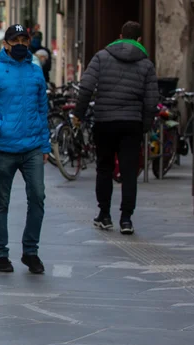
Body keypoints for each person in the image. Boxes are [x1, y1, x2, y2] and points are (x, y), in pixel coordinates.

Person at [0, 24, 50, 275]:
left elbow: (42, 110)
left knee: (38, 197)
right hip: (3, 148)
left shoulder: (36, 72)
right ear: (5, 44)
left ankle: (30, 251)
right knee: (2, 201)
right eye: (15, 40)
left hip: (33, 147)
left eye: (24, 40)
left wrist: (45, 145)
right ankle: (1, 254)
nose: (21, 45)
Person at [73, 21, 158, 235]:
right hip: (132, 123)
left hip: (105, 121)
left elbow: (86, 88)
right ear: (138, 39)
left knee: (104, 168)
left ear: (120, 36)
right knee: (129, 172)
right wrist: (145, 125)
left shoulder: (101, 57)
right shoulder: (146, 64)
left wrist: (79, 114)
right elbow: (151, 100)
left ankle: (104, 215)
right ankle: (126, 219)